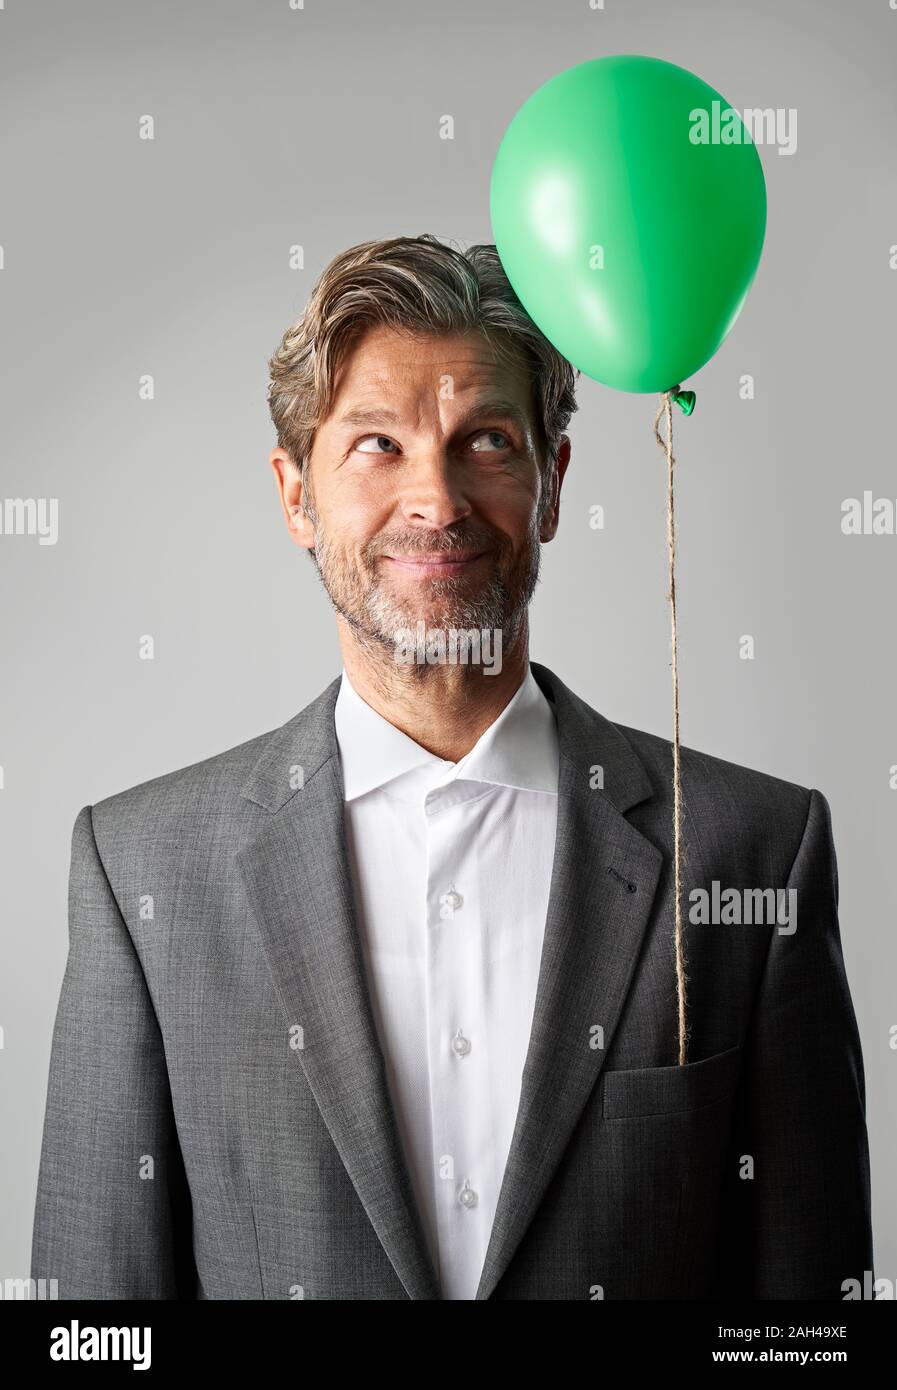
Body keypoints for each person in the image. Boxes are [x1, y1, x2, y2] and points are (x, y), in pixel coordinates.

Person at [31, 234, 873, 1299]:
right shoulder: (141, 870)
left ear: (552, 482)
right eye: (378, 445)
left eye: (484, 441)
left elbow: (812, 1328)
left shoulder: (756, 850)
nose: (436, 499)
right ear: (296, 495)